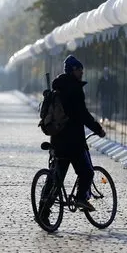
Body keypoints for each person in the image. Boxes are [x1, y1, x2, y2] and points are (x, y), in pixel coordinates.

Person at [48, 55, 106, 213]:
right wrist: (98, 129)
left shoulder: (58, 88)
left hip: (57, 139)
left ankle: (43, 212)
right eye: (79, 69)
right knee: (87, 172)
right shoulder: (75, 89)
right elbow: (83, 114)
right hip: (73, 142)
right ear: (73, 70)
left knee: (55, 179)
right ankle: (81, 198)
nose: (82, 72)